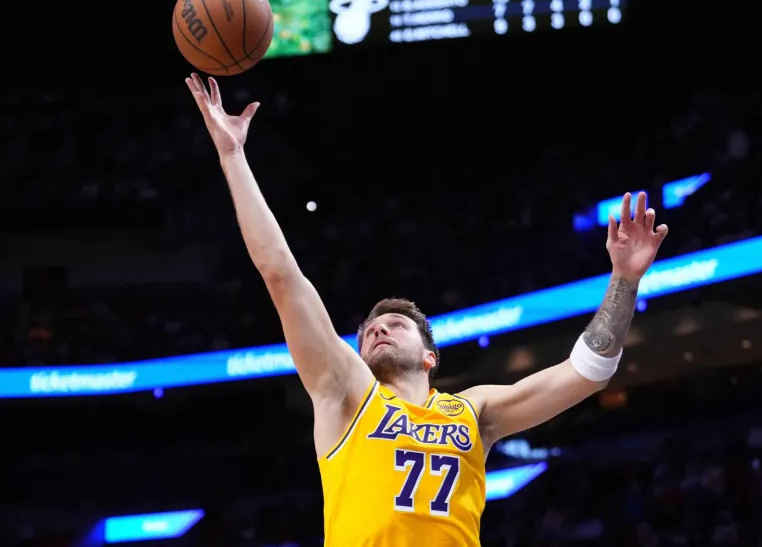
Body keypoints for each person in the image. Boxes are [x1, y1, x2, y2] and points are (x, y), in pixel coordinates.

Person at [185, 73, 669, 547]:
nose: (377, 330)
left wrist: (624, 279)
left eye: (395, 325)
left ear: (430, 357)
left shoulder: (474, 411)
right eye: (369, 330)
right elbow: (281, 273)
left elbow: (589, 371)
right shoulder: (345, 393)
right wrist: (232, 154)